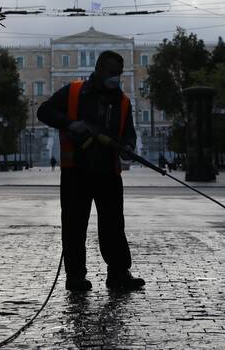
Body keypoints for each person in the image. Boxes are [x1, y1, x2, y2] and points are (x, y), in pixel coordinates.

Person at [37, 50, 145, 292]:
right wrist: (70, 124)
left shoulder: (123, 101)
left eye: (118, 74)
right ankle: (75, 277)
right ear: (97, 70)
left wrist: (127, 147)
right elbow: (43, 111)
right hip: (76, 171)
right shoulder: (73, 92)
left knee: (114, 226)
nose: (114, 78)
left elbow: (129, 133)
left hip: (108, 172)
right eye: (110, 73)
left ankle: (118, 273)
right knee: (74, 226)